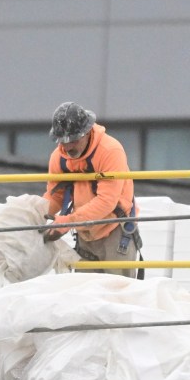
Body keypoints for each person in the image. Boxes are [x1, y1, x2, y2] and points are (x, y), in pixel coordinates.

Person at [42, 101, 142, 277]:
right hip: (84, 235)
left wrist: (69, 221)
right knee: (85, 298)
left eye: (73, 140)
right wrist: (32, 214)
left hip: (115, 232)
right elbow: (55, 197)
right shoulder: (58, 158)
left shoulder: (109, 151)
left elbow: (106, 201)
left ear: (87, 132)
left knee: (119, 296)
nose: (67, 147)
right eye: (62, 141)